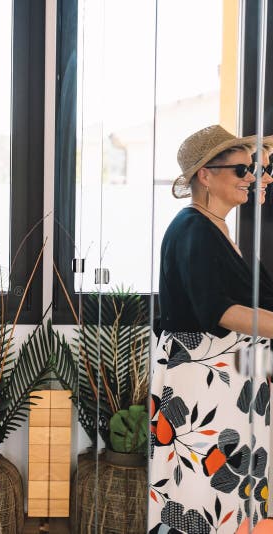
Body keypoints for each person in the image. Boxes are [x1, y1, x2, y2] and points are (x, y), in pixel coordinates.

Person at [149, 125, 273, 532]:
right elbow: (217, 310)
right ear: (205, 174)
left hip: (227, 385)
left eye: (251, 169)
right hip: (203, 385)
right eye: (241, 170)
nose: (251, 178)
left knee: (225, 496)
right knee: (201, 495)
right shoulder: (193, 229)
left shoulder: (215, 228)